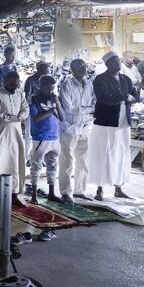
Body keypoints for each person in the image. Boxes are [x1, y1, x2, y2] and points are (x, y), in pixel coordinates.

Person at [88, 52, 139, 200]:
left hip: (123, 123)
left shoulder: (125, 79)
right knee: (103, 155)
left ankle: (119, 187)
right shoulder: (100, 79)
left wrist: (132, 99)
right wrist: (124, 97)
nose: (118, 63)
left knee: (121, 155)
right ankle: (99, 189)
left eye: (118, 60)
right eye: (115, 61)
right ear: (108, 64)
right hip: (106, 123)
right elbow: (104, 98)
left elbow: (136, 95)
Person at [0, 71, 30, 208]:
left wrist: (19, 117)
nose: (15, 87)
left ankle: (14, 194)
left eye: (17, 85)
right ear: (5, 81)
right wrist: (13, 118)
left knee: (14, 163)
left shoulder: (19, 93)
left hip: (15, 133)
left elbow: (25, 109)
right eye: (12, 84)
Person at [58, 59, 95, 201]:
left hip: (85, 126)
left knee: (84, 160)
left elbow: (93, 103)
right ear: (72, 69)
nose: (83, 68)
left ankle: (80, 190)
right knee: (67, 160)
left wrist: (88, 109)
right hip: (70, 128)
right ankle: (65, 193)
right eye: (80, 66)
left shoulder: (89, 84)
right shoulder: (67, 85)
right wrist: (89, 109)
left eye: (85, 66)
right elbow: (69, 108)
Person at [28, 75, 62, 207]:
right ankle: (34, 195)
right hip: (41, 137)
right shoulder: (34, 99)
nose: (51, 90)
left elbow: (62, 118)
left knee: (53, 166)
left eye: (53, 88)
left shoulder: (54, 98)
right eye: (48, 88)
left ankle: (52, 193)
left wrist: (57, 104)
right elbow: (36, 118)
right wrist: (52, 110)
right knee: (36, 166)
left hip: (54, 137)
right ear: (41, 86)